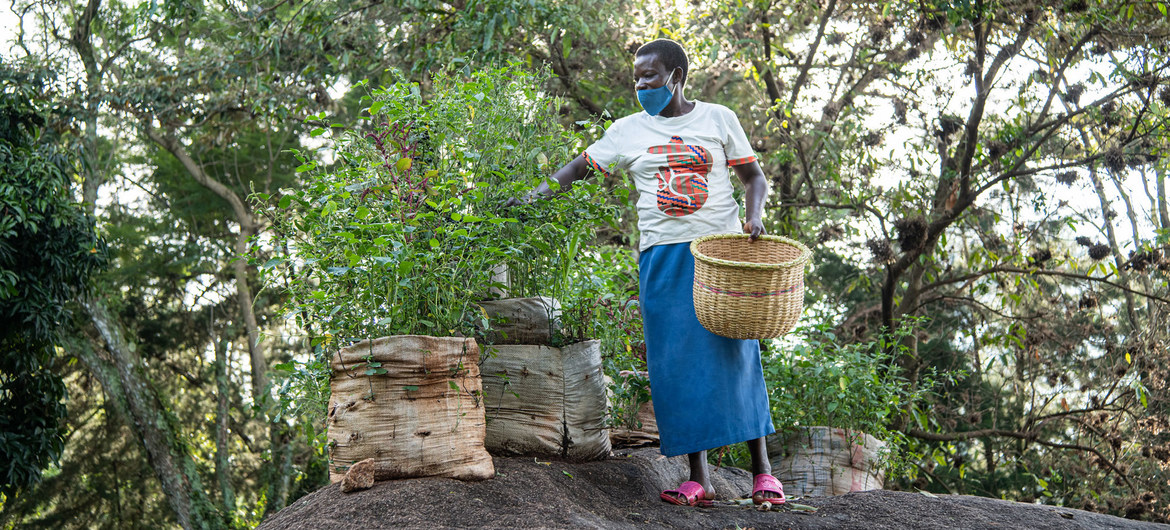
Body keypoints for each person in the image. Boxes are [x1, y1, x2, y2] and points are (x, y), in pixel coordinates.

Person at [510, 38, 783, 507]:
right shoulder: (628, 130)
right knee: (674, 363)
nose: (640, 85)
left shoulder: (718, 118)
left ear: (676, 77)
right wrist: (531, 197)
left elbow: (754, 177)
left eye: (650, 76)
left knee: (736, 353)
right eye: (636, 77)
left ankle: (762, 471)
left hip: (718, 254)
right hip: (662, 255)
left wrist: (754, 215)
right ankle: (699, 477)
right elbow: (579, 168)